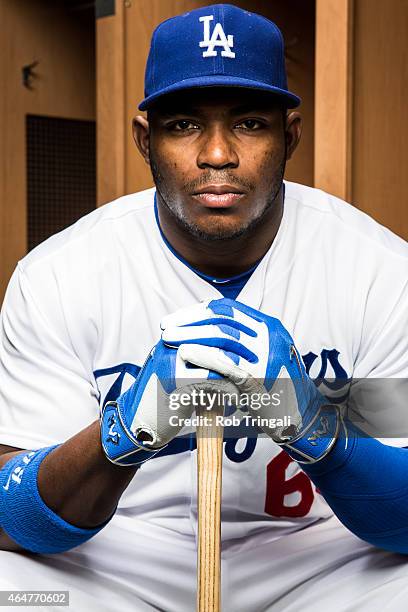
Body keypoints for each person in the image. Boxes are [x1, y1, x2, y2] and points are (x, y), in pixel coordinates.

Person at [0, 4, 407, 611]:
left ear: (289, 136)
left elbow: (401, 522)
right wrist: (119, 436)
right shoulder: (60, 275)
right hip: (121, 561)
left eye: (248, 123)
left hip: (320, 561)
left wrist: (325, 435)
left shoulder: (379, 271)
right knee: (20, 594)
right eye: (185, 125)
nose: (218, 154)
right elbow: (15, 522)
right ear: (146, 140)